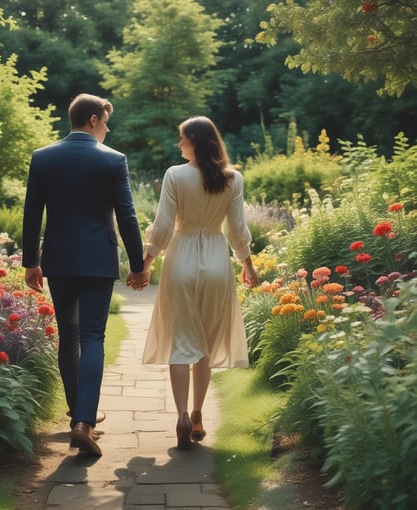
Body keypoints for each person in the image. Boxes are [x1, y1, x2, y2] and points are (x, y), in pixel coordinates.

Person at [22, 93, 149, 456]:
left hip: (59, 259)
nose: (107, 129)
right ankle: (84, 422)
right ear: (93, 119)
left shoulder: (43, 157)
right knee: (93, 337)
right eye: (106, 122)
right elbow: (127, 215)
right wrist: (137, 265)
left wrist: (32, 261)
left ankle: (78, 415)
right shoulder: (113, 160)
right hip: (97, 259)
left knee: (69, 335)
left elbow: (33, 214)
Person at [142, 116, 259, 450]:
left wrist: (147, 263)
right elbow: (238, 231)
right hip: (216, 261)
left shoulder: (175, 175)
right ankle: (197, 414)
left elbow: (163, 226)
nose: (179, 145)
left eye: (182, 139)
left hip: (181, 260)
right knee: (204, 344)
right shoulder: (232, 179)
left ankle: (179, 415)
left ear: (194, 140)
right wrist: (248, 267)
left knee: (181, 339)